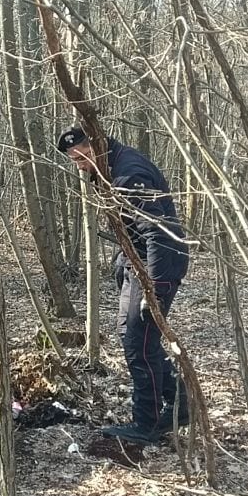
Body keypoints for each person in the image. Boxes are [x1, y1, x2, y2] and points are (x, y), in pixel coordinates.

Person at [57, 126, 190, 446]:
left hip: (155, 269)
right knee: (133, 336)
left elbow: (156, 232)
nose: (80, 164)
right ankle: (180, 405)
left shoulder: (128, 176)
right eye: (74, 161)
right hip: (137, 265)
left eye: (83, 156)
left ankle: (147, 423)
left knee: (138, 342)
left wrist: (153, 290)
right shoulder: (111, 167)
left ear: (97, 144)